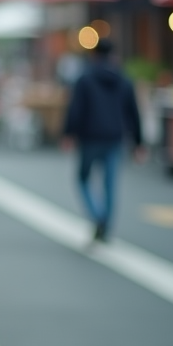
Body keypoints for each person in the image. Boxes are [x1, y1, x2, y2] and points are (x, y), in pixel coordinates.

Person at [62, 39, 145, 243]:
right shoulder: (124, 79)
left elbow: (75, 109)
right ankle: (106, 223)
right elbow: (133, 112)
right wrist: (138, 142)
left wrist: (68, 133)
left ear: (94, 54)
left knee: (83, 178)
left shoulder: (85, 78)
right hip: (115, 137)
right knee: (110, 183)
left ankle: (97, 215)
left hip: (90, 137)